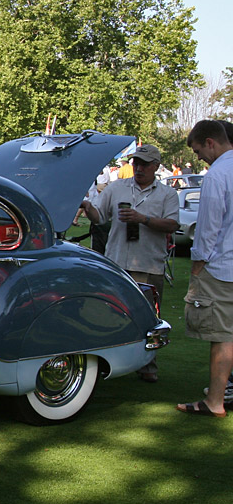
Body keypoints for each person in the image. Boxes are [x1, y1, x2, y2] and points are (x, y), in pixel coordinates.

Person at [80, 144, 179, 382]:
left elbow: (172, 225)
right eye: (136, 163)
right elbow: (100, 217)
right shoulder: (116, 187)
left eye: (144, 164)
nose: (139, 168)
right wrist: (87, 206)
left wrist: (142, 219)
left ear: (156, 166)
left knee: (148, 318)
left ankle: (148, 367)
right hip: (116, 264)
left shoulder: (167, 194)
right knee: (109, 314)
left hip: (148, 264)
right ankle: (109, 363)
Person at [176, 120, 233, 417]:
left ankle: (215, 401)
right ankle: (223, 391)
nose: (199, 157)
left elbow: (208, 229)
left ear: (210, 142)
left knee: (222, 335)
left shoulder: (218, 175)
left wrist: (197, 267)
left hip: (223, 267)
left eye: (199, 151)